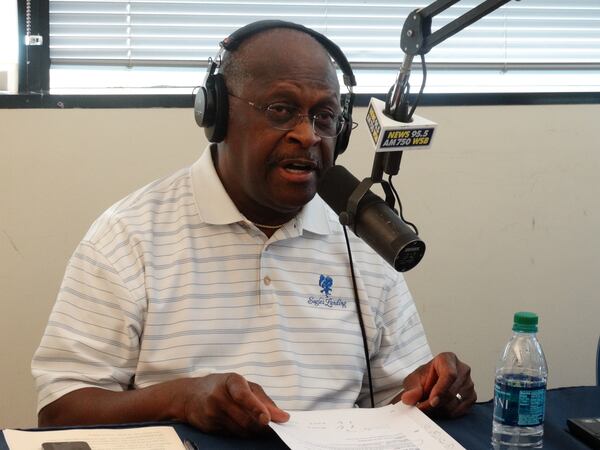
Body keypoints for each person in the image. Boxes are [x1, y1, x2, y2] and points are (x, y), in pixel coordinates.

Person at [32, 21, 476, 437]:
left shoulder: (362, 233)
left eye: (324, 117)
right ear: (217, 115)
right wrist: (179, 399)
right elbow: (60, 408)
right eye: (281, 110)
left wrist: (431, 391)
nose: (307, 135)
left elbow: (396, 399)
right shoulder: (129, 236)